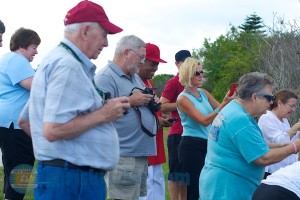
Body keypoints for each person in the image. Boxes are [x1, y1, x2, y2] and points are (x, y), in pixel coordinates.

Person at [18, 1, 130, 200]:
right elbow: (52, 130)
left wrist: (51, 155)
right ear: (85, 31)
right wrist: (103, 114)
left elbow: (26, 121)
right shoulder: (68, 65)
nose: (106, 43)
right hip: (74, 180)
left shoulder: (54, 60)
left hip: (64, 176)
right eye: (104, 35)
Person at [199, 72, 300, 200]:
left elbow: (252, 145)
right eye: (269, 98)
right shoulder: (240, 120)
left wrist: (284, 144)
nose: (271, 103)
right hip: (230, 189)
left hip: (219, 184)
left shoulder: (232, 110)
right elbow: (263, 158)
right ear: (254, 97)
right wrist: (295, 147)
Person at [94, 35, 158, 200]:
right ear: (127, 53)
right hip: (123, 155)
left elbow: (140, 104)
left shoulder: (135, 77)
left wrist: (151, 101)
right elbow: (97, 112)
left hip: (138, 154)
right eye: (141, 57)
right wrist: (131, 100)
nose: (143, 62)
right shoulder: (105, 77)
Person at [177, 57, 233, 200]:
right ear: (188, 74)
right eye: (197, 73)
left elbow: (222, 110)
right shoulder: (183, 99)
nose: (201, 75)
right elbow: (204, 121)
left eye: (202, 72)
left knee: (209, 186)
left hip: (208, 144)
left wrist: (233, 103)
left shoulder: (203, 92)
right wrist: (223, 105)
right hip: (191, 146)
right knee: (194, 190)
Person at [0, 27, 41, 200]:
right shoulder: (16, 60)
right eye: (34, 47)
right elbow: (37, 87)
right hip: (14, 126)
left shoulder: (10, 60)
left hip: (10, 124)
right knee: (20, 171)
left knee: (14, 172)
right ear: (23, 45)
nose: (36, 51)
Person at [138, 43, 171, 200]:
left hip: (155, 144)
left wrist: (161, 118)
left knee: (157, 185)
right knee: (146, 189)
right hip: (143, 147)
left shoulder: (149, 82)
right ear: (142, 60)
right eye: (153, 63)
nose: (156, 67)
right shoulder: (135, 81)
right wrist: (157, 120)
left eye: (157, 63)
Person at [160, 49, 191, 200]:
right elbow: (162, 105)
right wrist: (182, 103)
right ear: (177, 64)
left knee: (185, 173)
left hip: (191, 133)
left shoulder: (192, 82)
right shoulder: (173, 82)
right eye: (184, 63)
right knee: (175, 173)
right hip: (177, 132)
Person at [258, 89, 300, 178]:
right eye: (291, 106)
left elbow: (291, 141)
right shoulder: (267, 118)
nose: (293, 110)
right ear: (280, 103)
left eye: (294, 106)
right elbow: (281, 141)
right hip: (272, 170)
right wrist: (296, 127)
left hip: (285, 170)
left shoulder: (284, 120)